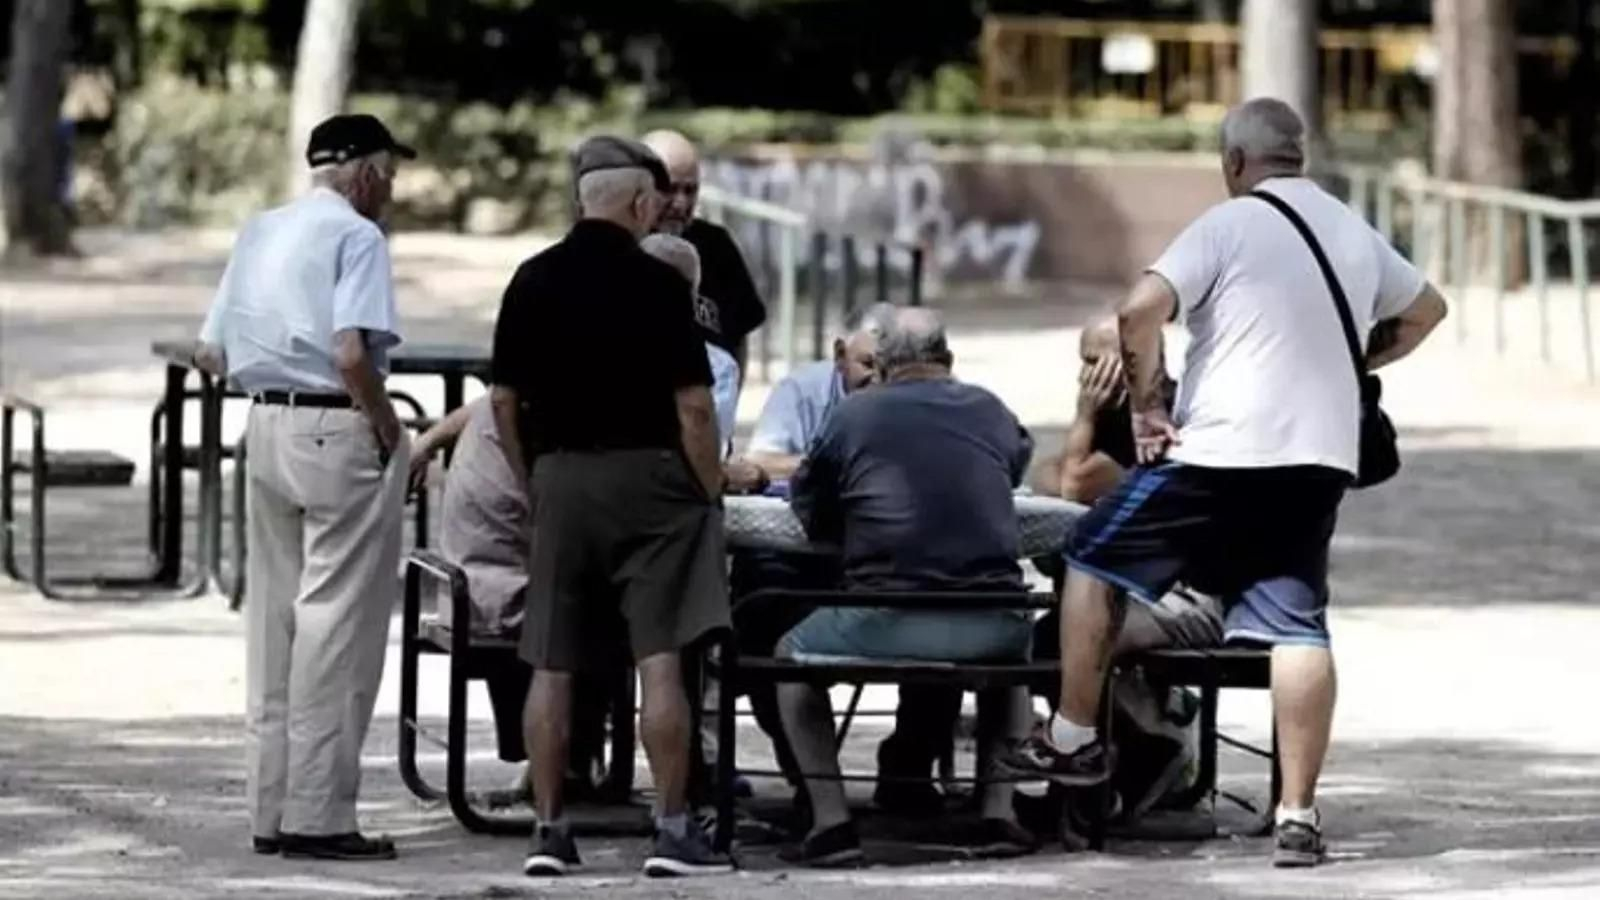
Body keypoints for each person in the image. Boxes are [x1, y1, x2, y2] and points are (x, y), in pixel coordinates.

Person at [997, 98, 1449, 868]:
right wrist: (1349, 365)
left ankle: (1071, 735)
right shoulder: (1350, 228)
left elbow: (1138, 313)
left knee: (1092, 557)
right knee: (1299, 624)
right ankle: (1298, 816)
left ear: (1234, 162)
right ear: (1298, 156)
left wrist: (1145, 410)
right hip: (1318, 457)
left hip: (1222, 454)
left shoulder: (1227, 223)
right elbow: (1427, 311)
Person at [489, 135, 732, 878]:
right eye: (656, 199)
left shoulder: (531, 279)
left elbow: (501, 401)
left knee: (552, 660)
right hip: (653, 483)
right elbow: (694, 406)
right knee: (661, 658)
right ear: (636, 203)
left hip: (562, 476)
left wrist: (535, 475)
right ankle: (671, 829)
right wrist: (710, 486)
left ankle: (551, 830)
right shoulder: (660, 285)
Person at [193, 113, 415, 861]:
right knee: (336, 629)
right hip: (335, 426)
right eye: (387, 172)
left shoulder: (261, 230)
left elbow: (210, 351)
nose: (390, 188)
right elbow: (351, 351)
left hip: (264, 426)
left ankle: (269, 807)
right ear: (363, 174)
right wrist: (384, 423)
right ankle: (319, 815)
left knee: (274, 624)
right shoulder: (357, 237)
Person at [776, 307, 1038, 866]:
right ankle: (998, 812)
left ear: (886, 364)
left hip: (884, 619)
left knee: (788, 662)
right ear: (948, 360)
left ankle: (831, 822)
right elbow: (1014, 469)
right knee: (1013, 667)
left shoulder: (854, 415)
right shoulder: (991, 408)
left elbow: (811, 505)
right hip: (992, 623)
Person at [642, 130, 767, 372]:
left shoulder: (716, 246)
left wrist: (730, 401)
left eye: (690, 191)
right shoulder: (619, 245)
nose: (681, 203)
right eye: (670, 188)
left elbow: (739, 335)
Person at [743, 305, 890, 481]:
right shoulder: (800, 390)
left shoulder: (907, 391)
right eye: (868, 364)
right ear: (840, 355)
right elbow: (759, 461)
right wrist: (835, 465)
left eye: (888, 366)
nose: (878, 378)